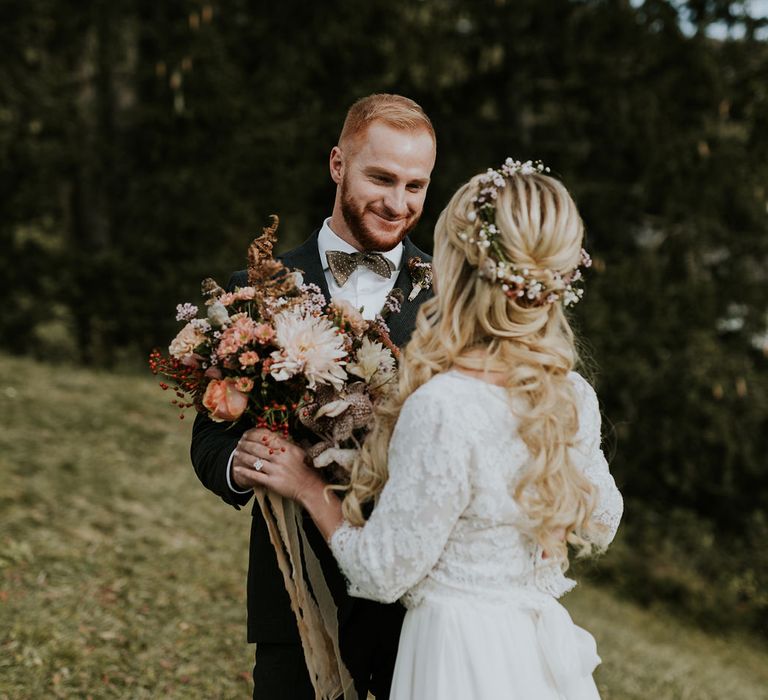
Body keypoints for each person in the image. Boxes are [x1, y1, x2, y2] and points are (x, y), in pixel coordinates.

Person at [241, 159, 624, 699]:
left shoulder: (445, 404)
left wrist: (307, 485)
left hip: (457, 651)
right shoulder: (568, 395)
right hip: (530, 650)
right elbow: (605, 517)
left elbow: (382, 573)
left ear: (455, 270)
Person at [190, 93, 437, 699]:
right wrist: (241, 460)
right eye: (381, 178)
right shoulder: (256, 290)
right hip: (293, 596)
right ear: (337, 164)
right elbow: (209, 440)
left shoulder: (450, 301)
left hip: (416, 607)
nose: (397, 203)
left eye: (415, 186)